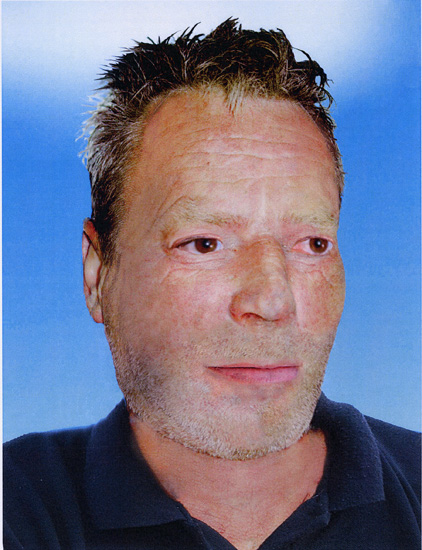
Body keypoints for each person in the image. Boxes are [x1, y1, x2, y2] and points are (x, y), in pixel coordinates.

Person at [3, 18, 420, 550]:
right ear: (98, 275)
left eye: (312, 243)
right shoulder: (16, 507)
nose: (271, 300)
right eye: (204, 243)